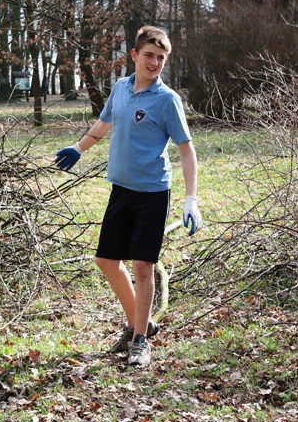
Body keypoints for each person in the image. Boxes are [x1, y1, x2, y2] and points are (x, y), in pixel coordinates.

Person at [55, 25, 202, 367]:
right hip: (121, 190)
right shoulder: (120, 89)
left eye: (161, 58)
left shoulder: (167, 100)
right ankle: (142, 322)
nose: (154, 63)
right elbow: (104, 125)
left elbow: (187, 149)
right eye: (149, 56)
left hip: (153, 192)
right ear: (134, 56)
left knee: (143, 266)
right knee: (107, 261)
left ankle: (139, 340)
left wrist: (191, 198)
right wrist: (79, 147)